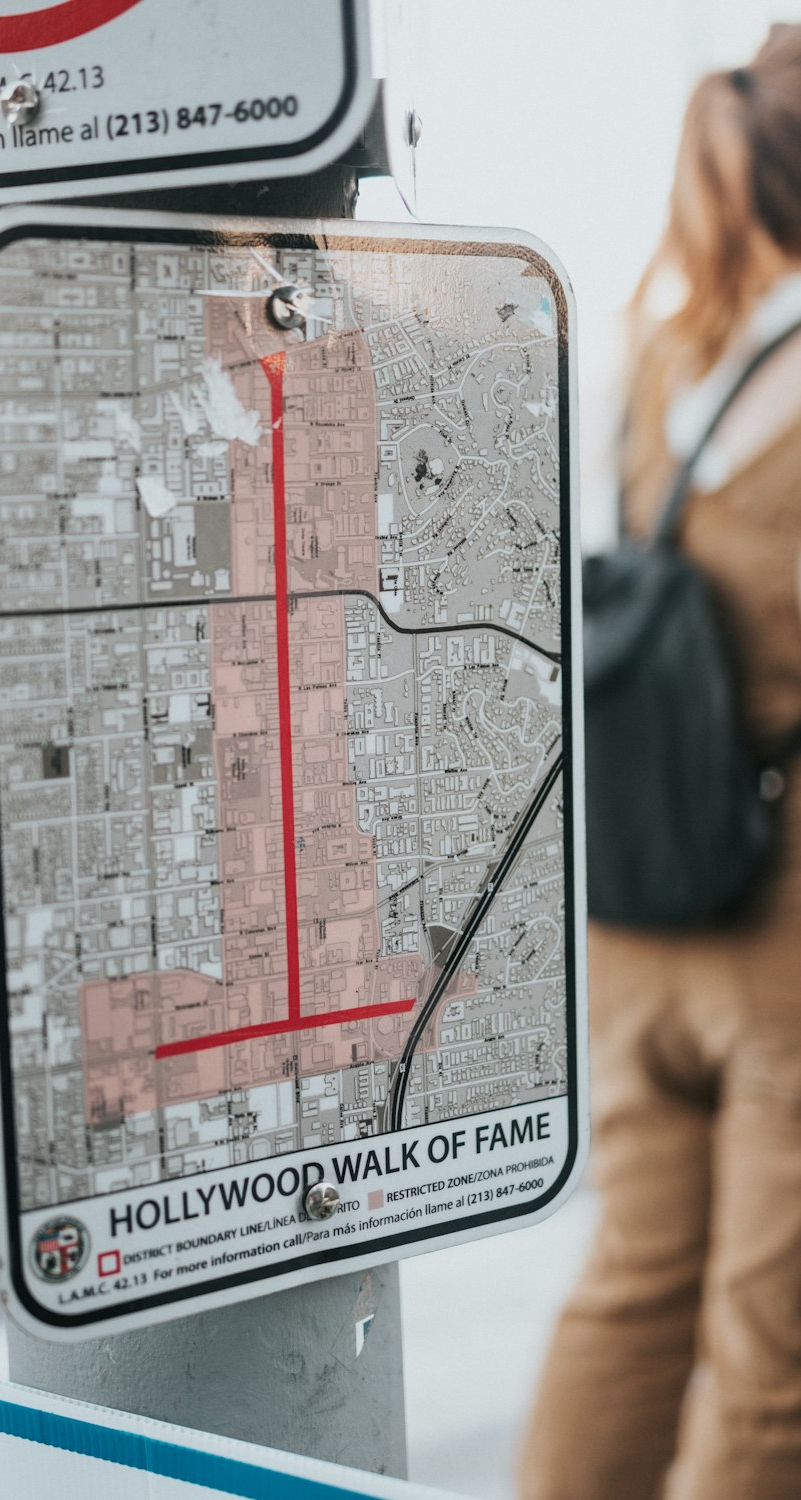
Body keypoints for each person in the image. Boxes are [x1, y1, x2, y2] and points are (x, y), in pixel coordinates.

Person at [518, 25, 801, 1500]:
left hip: (639, 909)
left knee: (630, 1291)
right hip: (782, 934)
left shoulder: (670, 358)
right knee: (771, 1367)